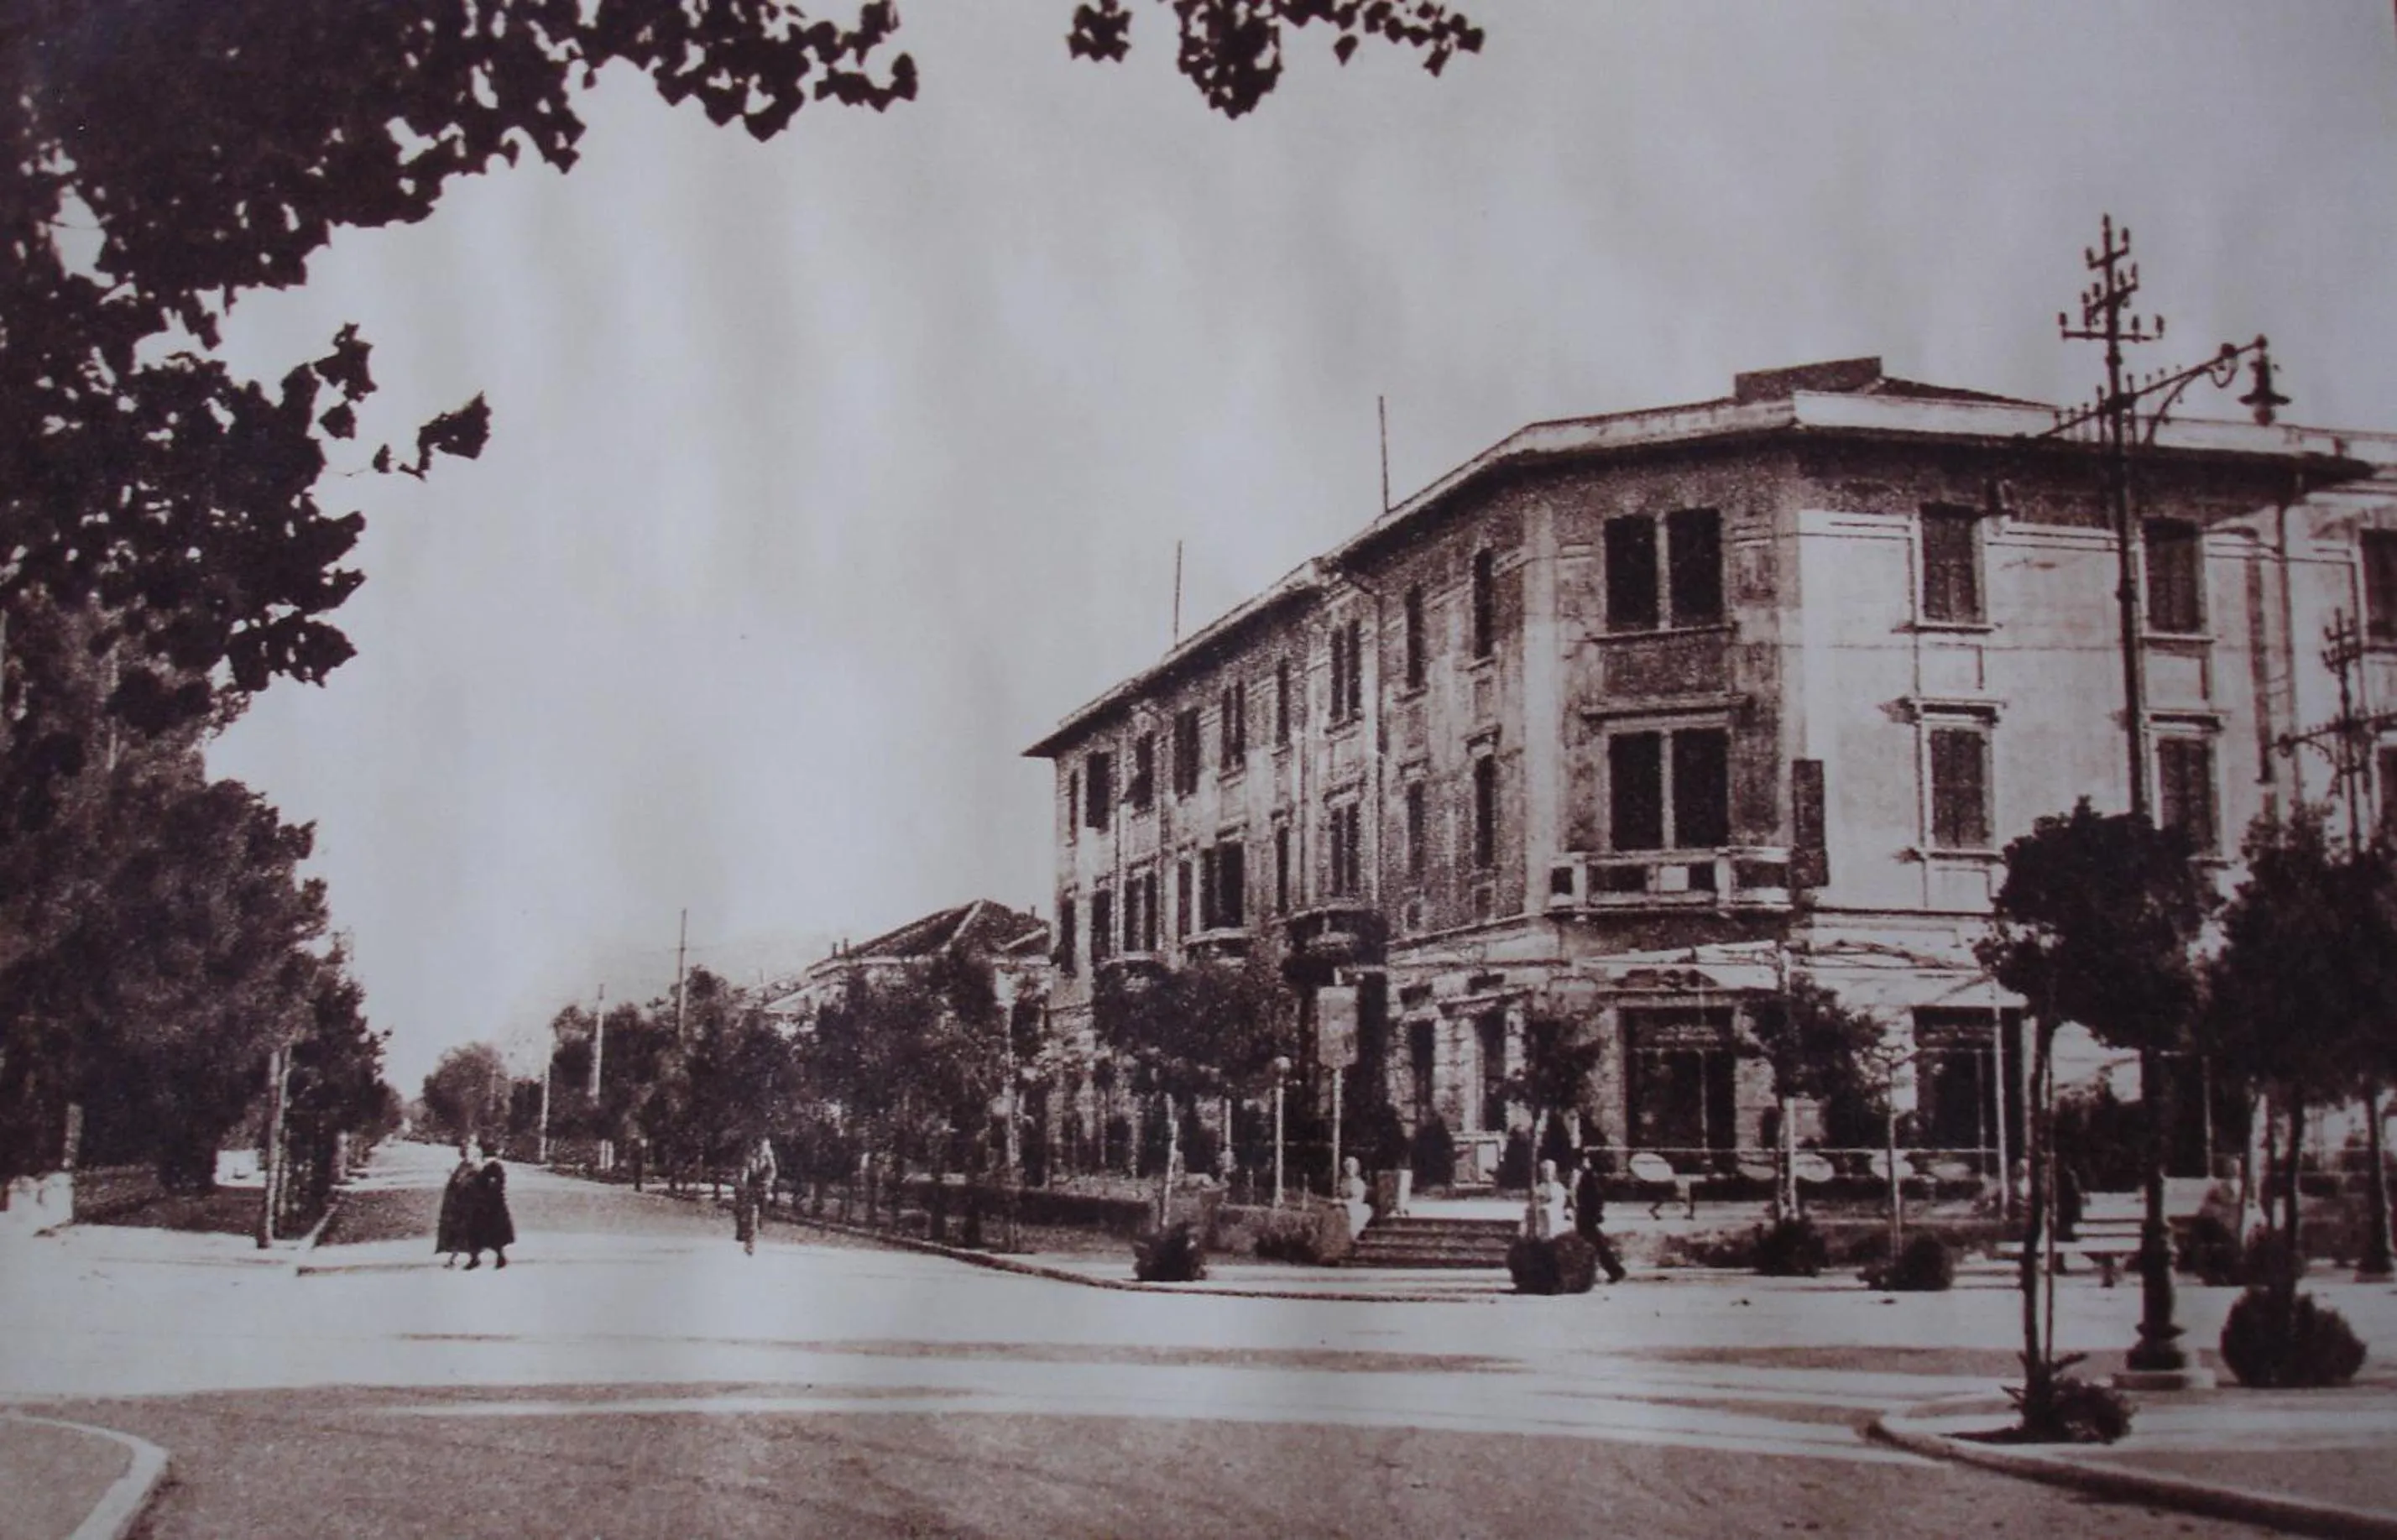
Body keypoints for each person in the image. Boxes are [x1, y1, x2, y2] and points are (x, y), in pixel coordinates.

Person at [1573, 1149, 1630, 1283]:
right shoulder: (1585, 1175)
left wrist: (1596, 1214)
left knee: (1597, 1246)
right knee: (1594, 1245)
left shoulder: (1589, 1176)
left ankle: (1615, 1270)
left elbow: (1597, 1196)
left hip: (1587, 1216)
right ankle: (1609, 1270)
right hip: (1584, 1215)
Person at [463, 1143, 514, 1271]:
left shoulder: (493, 1167)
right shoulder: (489, 1167)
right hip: (488, 1206)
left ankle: (488, 1258)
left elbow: (493, 1186)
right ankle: (480, 1258)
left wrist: (481, 1195)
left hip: (490, 1207)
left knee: (484, 1232)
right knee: (484, 1233)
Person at [734, 1134, 777, 1255]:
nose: (765, 1150)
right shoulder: (749, 1156)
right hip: (749, 1185)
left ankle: (760, 1222)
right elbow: (744, 1170)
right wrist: (742, 1183)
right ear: (758, 1147)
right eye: (763, 1147)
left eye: (767, 1147)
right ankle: (741, 1231)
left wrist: (768, 1185)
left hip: (762, 1185)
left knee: (763, 1207)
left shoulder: (769, 1158)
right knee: (741, 1207)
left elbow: (772, 1172)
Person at [434, 1144, 475, 1267]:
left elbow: (465, 1185)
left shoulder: (469, 1167)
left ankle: (461, 1259)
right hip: (459, 1206)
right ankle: (456, 1259)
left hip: (465, 1206)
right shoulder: (463, 1166)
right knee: (460, 1233)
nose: (464, 1154)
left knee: (464, 1233)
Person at [1528, 1157, 1570, 1240]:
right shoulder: (1539, 1188)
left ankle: (1548, 1237)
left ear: (1554, 1172)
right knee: (1531, 1212)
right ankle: (1532, 1236)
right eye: (1545, 1171)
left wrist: (1546, 1204)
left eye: (1549, 1170)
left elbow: (1559, 1203)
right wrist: (1536, 1204)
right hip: (1540, 1212)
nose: (1547, 1173)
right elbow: (1535, 1201)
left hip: (1554, 1213)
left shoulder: (1558, 1187)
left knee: (1545, 1211)